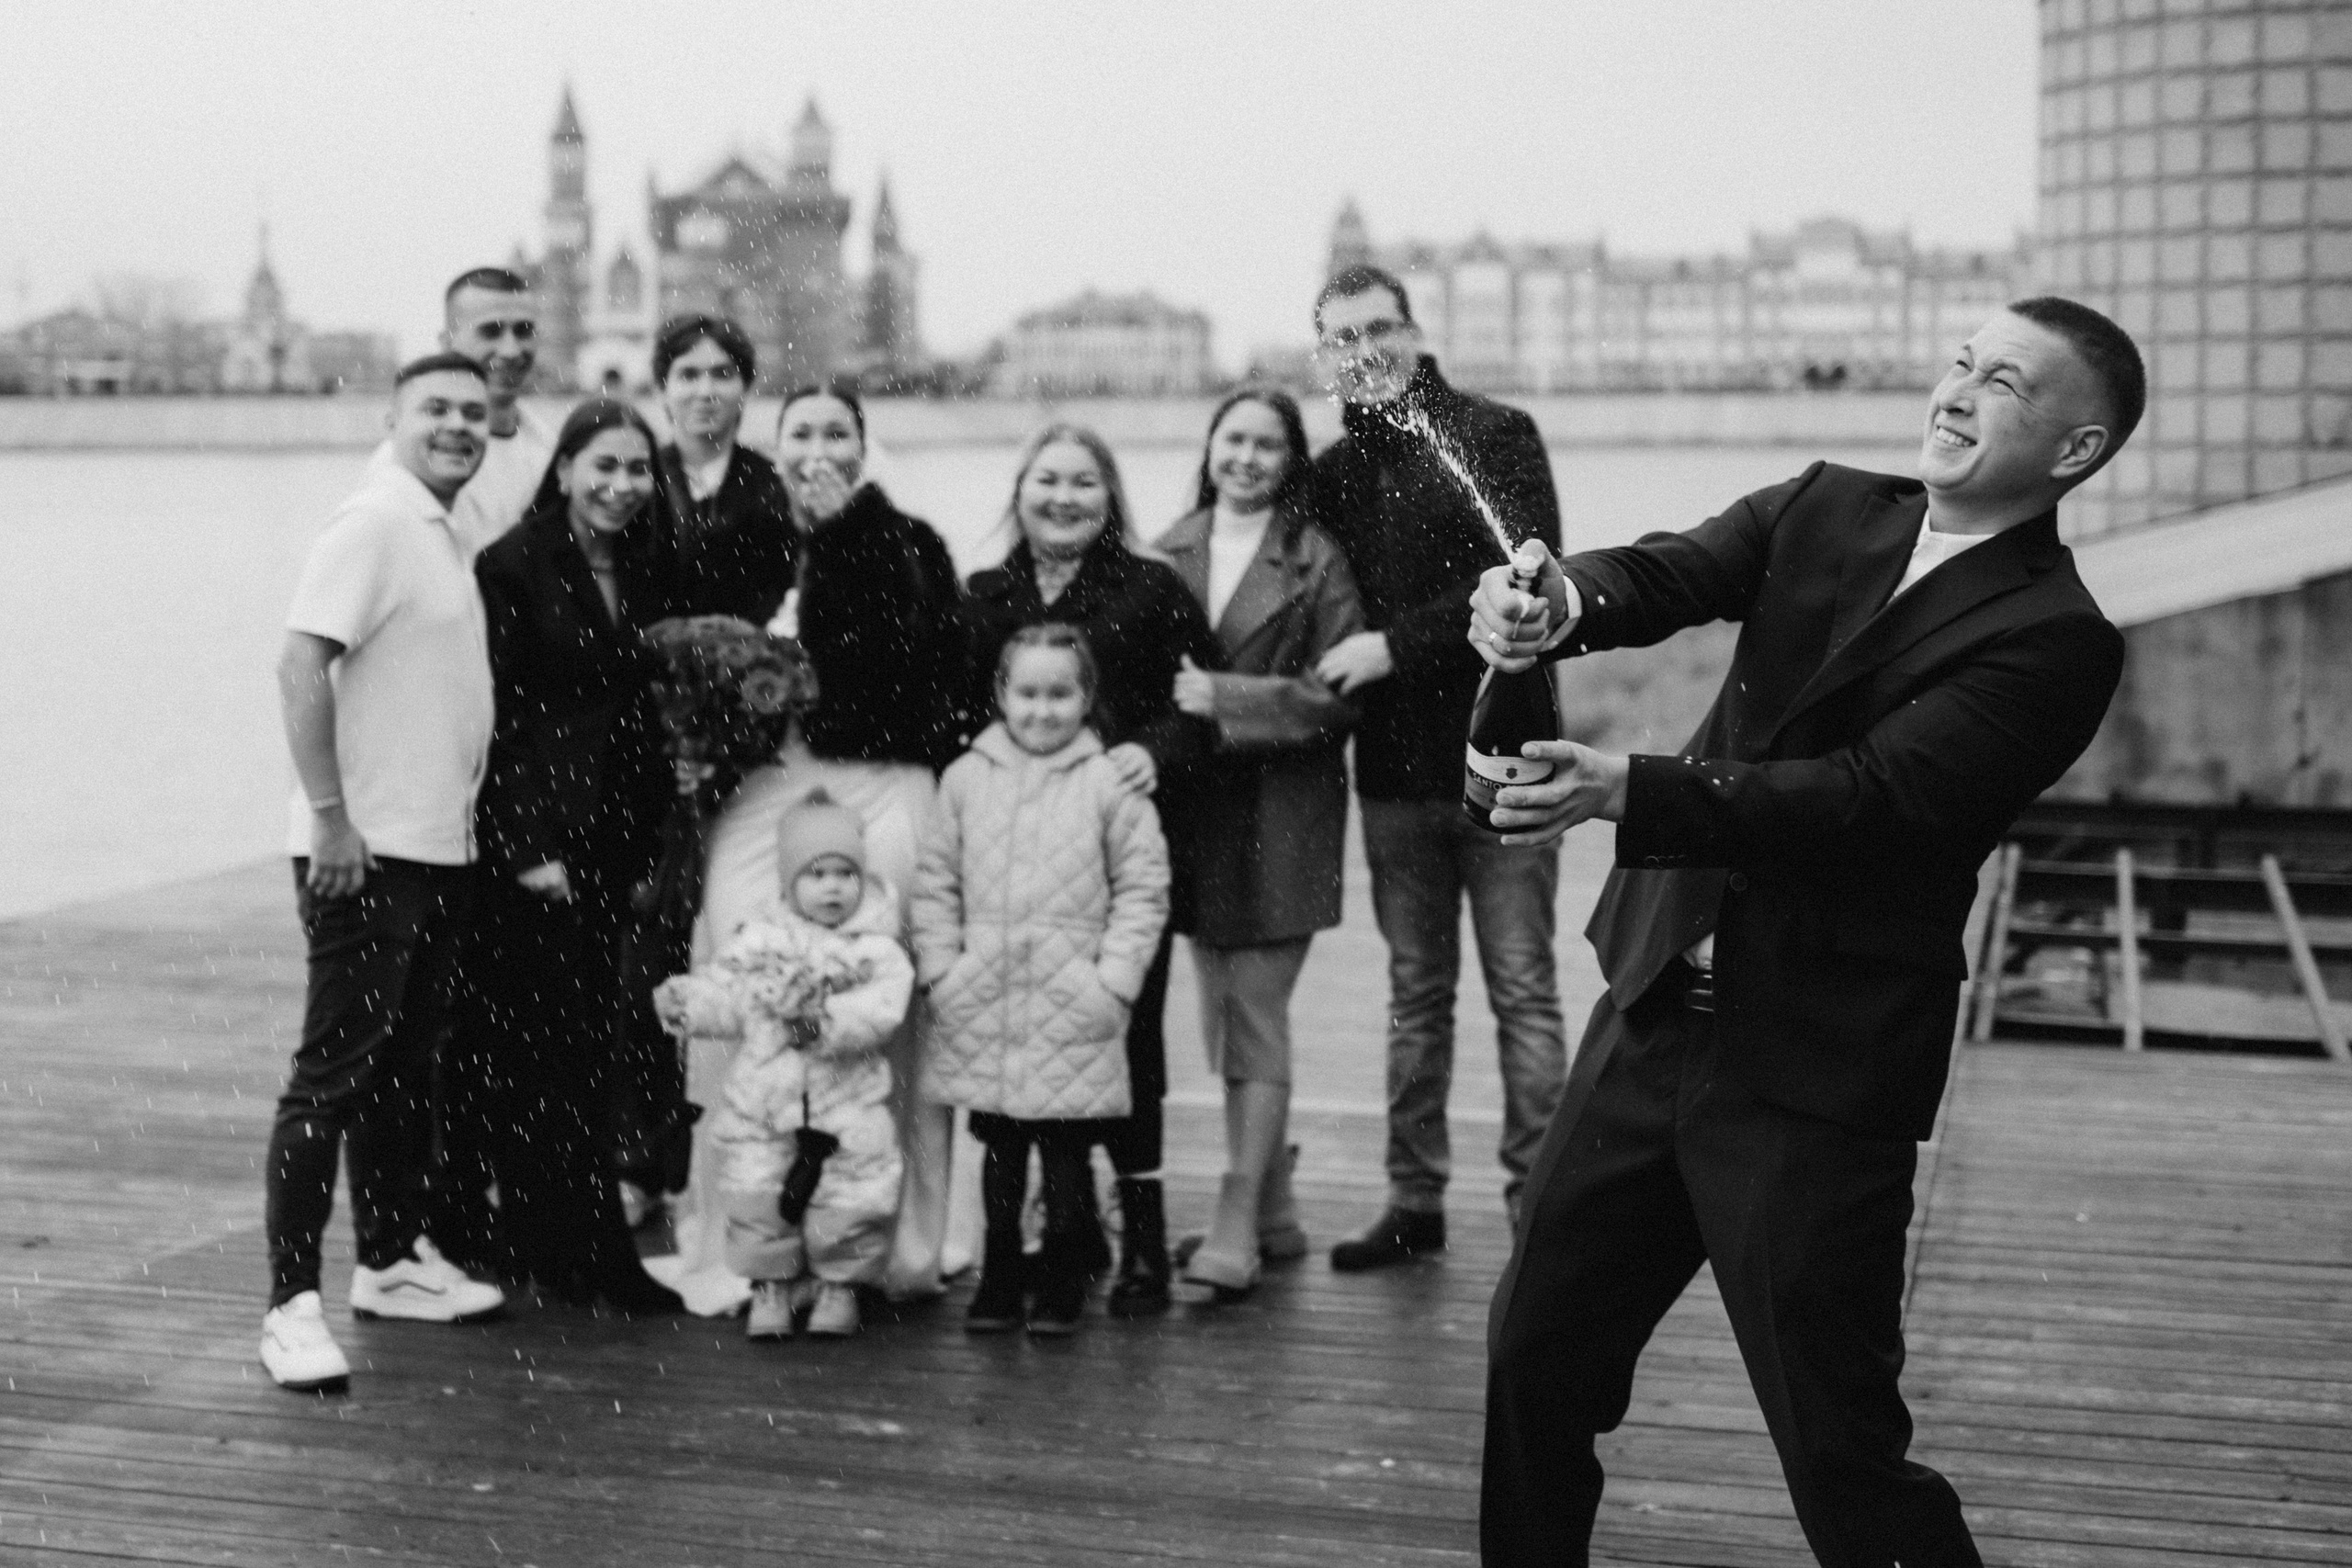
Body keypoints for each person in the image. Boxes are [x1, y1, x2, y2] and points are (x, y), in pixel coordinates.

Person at [1469, 298, 2142, 1566]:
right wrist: (1559, 599)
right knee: (1531, 1354)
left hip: (1815, 1070)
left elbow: (1873, 799)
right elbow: (1672, 569)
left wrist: (1627, 786)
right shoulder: (1830, 501)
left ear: (2073, 449)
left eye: (2001, 381)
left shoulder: (2057, 637)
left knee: (1837, 1445)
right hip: (1655, 1006)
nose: (1955, 390)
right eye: (1958, 361)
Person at [1303, 264, 1567, 1269]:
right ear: (1324, 360)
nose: (1363, 351)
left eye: (1378, 328)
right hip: (1395, 773)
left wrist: (1392, 649)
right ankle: (1414, 1200)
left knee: (1522, 990)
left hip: (1508, 755)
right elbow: (1248, 523)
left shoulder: (1498, 435)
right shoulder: (1332, 470)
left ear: (1415, 331)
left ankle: (1537, 1210)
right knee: (1415, 996)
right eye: (1341, 339)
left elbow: (1526, 574)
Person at [683, 382, 967, 1314]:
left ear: (861, 443)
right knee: (748, 979)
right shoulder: (748, 543)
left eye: (836, 432)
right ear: (774, 444)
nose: (818, 448)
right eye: (799, 431)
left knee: (890, 995)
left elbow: (926, 663)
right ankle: (750, 1243)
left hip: (881, 776)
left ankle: (896, 1243)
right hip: (767, 786)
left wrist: (847, 528)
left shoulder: (905, 541)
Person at [257, 354, 509, 1393]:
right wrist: (330, 820)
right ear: (392, 418)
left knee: (408, 1073)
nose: (456, 426)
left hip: (436, 846)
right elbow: (297, 663)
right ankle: (289, 1306)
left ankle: (393, 1264)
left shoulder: (441, 528)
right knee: (332, 1077)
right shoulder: (371, 522)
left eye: (473, 412)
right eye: (435, 409)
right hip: (366, 852)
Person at [962, 423, 1220, 1314]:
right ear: (1019, 491)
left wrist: (1154, 750)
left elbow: (1200, 708)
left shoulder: (1153, 590)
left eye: (1083, 483)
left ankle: (1140, 1238)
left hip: (1116, 858)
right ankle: (1057, 1234)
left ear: (1110, 497)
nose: (1063, 498)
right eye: (1047, 481)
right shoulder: (984, 593)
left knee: (1126, 1039)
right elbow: (965, 719)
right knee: (1022, 1049)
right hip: (1013, 869)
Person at [468, 397, 685, 1316]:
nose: (622, 485)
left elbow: (650, 708)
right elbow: (499, 717)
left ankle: (569, 1245)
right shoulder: (512, 566)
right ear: (562, 470)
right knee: (541, 1050)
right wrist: (522, 848)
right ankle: (568, 1246)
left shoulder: (650, 562)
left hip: (616, 837)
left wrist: (652, 844)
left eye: (639, 468)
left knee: (593, 1040)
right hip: (538, 845)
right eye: (604, 465)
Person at [1151, 389, 1363, 1302]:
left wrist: (1229, 700)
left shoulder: (1316, 558)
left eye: (1266, 444)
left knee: (1253, 1017)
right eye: (1232, 438)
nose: (1245, 456)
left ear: (1289, 460)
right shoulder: (1169, 545)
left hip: (1285, 811)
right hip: (1196, 812)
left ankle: (1237, 1217)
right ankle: (1274, 1208)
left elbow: (1343, 692)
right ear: (1209, 446)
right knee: (1217, 1017)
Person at [911, 626, 1170, 1337]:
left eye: (1061, 694)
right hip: (984, 1000)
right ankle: (999, 1274)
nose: (1042, 710)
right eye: (1027, 693)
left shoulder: (1109, 782)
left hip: (1073, 1003)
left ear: (1087, 696)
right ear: (1001, 694)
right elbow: (934, 881)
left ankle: (1061, 1276)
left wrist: (1113, 982)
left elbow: (1143, 889)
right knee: (998, 1149)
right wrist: (941, 969)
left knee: (1063, 1154)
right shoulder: (966, 777)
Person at [656, 796, 912, 1340]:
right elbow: (730, 998)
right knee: (759, 1191)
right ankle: (770, 1286)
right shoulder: (758, 941)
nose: (833, 887)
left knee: (850, 1193)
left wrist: (822, 1022)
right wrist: (692, 1004)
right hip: (763, 1101)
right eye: (816, 874)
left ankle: (839, 1285)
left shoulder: (876, 950)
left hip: (847, 1102)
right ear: (789, 880)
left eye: (846, 873)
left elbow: (881, 1012)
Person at [370, 267, 558, 558]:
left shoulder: (549, 448)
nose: (510, 350)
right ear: (447, 343)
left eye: (523, 331)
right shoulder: (406, 461)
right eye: (491, 331)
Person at [652, 313, 797, 620]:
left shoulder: (776, 487)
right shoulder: (639, 481)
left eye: (722, 374)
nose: (706, 392)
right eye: (688, 375)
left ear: (745, 390)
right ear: (662, 390)